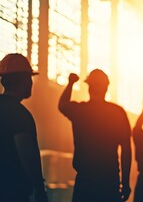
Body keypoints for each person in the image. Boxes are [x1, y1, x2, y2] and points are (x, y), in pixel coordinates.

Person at [58, 70, 131, 202]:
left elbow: (62, 105)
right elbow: (126, 149)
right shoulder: (117, 113)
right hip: (109, 182)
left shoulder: (80, 111)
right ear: (106, 87)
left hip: (85, 182)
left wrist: (70, 83)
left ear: (89, 87)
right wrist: (125, 182)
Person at [0, 53, 48, 202]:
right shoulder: (19, 115)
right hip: (12, 193)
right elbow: (28, 156)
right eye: (30, 78)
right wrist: (40, 189)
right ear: (24, 80)